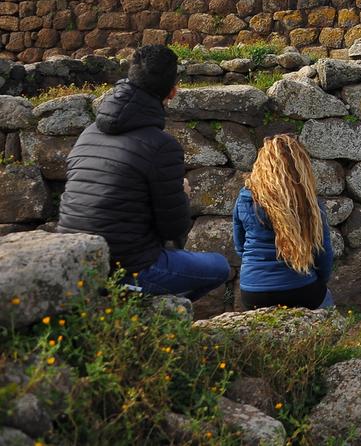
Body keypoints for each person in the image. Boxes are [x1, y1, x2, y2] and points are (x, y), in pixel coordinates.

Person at [58, 45, 230, 300]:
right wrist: (182, 196)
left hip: (75, 258)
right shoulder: (162, 146)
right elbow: (173, 228)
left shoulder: (89, 132)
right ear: (173, 92)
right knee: (219, 267)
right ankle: (162, 316)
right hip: (127, 267)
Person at [233, 134, 334, 310]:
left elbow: (240, 246)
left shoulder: (245, 198)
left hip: (253, 289)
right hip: (300, 286)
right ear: (300, 167)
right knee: (326, 307)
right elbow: (323, 252)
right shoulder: (309, 202)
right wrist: (321, 281)